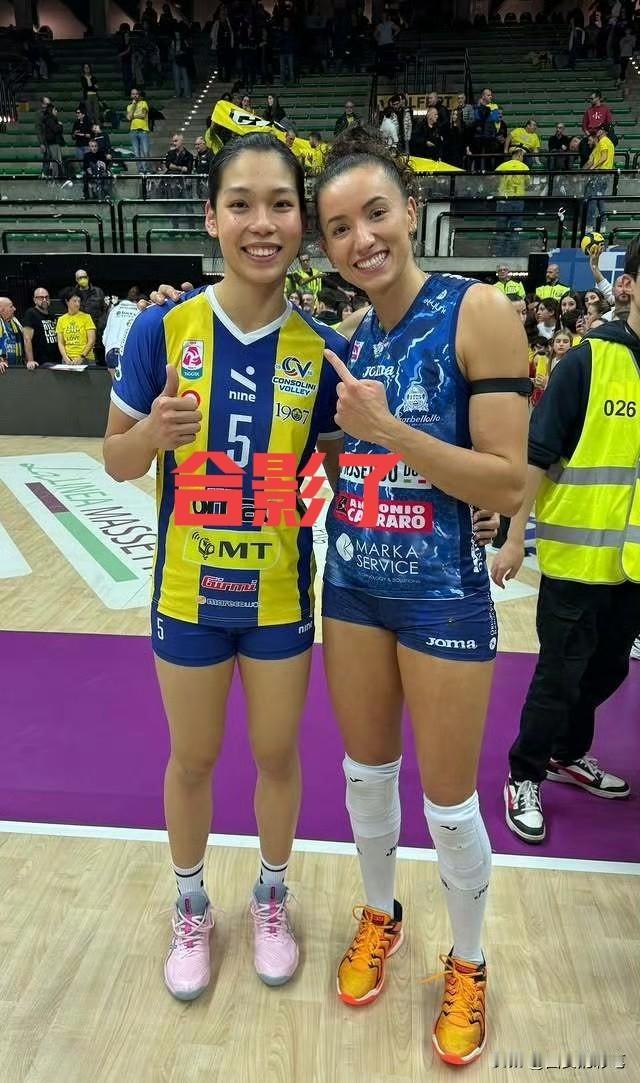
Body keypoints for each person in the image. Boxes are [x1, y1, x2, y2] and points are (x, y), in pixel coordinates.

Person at [102, 133, 351, 1003]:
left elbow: (343, 470)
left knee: (277, 754)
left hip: (280, 596)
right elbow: (116, 460)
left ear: (301, 222)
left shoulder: (321, 349)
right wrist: (150, 434)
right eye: (241, 203)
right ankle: (191, 905)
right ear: (211, 217)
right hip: (187, 595)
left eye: (280, 203)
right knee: (194, 757)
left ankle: (271, 898)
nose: (261, 222)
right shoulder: (162, 330)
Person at [314, 129, 529, 1066]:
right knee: (365, 777)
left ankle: (469, 960)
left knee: (448, 803)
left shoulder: (479, 311)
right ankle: (380, 912)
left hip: (443, 596)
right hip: (353, 584)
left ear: (410, 210)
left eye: (375, 214)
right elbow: (349, 459)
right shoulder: (352, 337)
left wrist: (390, 429)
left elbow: (507, 482)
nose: (361, 238)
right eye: (339, 228)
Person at [493, 233, 640, 845]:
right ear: (629, 284)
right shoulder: (587, 362)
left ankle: (567, 753)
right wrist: (512, 537)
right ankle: (524, 774)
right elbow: (538, 454)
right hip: (577, 560)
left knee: (609, 671)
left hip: (633, 567)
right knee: (559, 677)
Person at [495, 147, 529, 258]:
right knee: (515, 229)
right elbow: (528, 183)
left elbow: (494, 178)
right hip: (517, 200)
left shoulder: (503, 165)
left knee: (501, 228)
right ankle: (513, 255)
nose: (523, 158)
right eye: (522, 155)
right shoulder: (524, 167)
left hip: (503, 200)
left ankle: (499, 253)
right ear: (519, 155)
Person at [102, 287, 142, 380]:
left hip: (112, 351)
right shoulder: (140, 311)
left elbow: (105, 338)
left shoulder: (114, 310)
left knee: (116, 385)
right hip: (130, 352)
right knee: (130, 384)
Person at [584, 126, 615, 233]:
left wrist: (593, 167)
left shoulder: (603, 141)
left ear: (604, 132)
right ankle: (602, 224)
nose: (597, 131)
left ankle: (589, 226)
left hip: (600, 173)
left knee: (592, 199)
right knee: (600, 199)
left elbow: (604, 157)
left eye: (599, 130)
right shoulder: (609, 143)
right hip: (606, 174)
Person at [22, 287, 59, 367]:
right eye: (41, 298)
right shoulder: (31, 313)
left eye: (47, 297)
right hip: (41, 363)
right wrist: (30, 360)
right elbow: (27, 339)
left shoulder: (52, 315)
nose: (45, 300)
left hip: (56, 360)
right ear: (35, 300)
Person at [56, 291, 96, 364]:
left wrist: (82, 357)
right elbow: (60, 343)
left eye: (79, 301)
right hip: (68, 359)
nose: (77, 304)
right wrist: (66, 358)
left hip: (86, 358)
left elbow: (91, 340)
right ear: (67, 302)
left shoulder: (86, 317)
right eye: (74, 301)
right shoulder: (61, 320)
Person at [127, 88, 151, 174]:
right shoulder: (129, 106)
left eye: (136, 94)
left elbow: (143, 115)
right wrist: (133, 106)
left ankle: (147, 170)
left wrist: (133, 115)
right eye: (133, 94)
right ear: (131, 96)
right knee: (136, 153)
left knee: (145, 151)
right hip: (133, 131)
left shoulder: (143, 103)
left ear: (139, 95)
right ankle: (140, 170)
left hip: (143, 131)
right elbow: (129, 118)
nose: (135, 96)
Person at [0, 297, 25, 372]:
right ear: (1, 309)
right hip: (2, 370)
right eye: (11, 307)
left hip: (17, 368)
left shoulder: (16, 323)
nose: (14, 309)